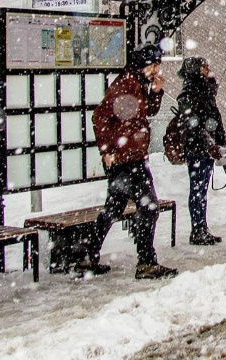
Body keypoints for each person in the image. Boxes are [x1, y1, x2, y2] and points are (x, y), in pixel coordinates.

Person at [78, 43, 176, 280]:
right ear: (143, 64)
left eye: (157, 65)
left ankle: (87, 256)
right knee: (149, 206)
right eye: (153, 65)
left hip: (131, 156)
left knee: (113, 207)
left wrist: (156, 92)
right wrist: (107, 150)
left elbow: (146, 113)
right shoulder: (125, 85)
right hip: (127, 158)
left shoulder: (137, 83)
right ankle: (145, 263)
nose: (156, 70)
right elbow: (100, 116)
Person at [176, 57, 226, 245]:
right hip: (197, 147)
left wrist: (219, 141)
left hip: (205, 147)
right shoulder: (189, 92)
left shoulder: (203, 90)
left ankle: (201, 227)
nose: (208, 69)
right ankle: (197, 229)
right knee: (198, 189)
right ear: (195, 70)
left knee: (202, 189)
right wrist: (210, 143)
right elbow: (193, 125)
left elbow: (213, 117)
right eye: (204, 66)